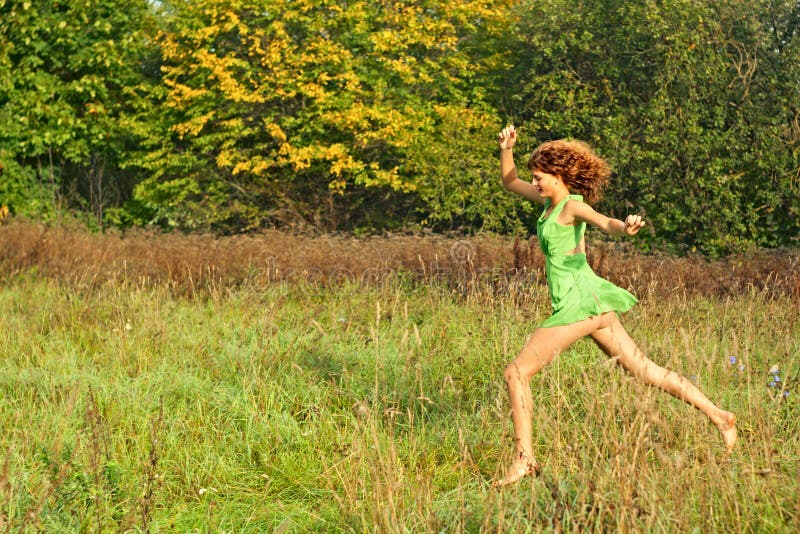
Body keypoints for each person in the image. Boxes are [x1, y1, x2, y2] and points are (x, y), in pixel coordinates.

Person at [493, 125, 737, 487]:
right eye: (535, 177)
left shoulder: (571, 205)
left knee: (516, 373)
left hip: (580, 302)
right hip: (591, 301)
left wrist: (626, 226)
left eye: (539, 177)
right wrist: (506, 149)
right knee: (644, 370)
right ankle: (720, 416)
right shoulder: (548, 204)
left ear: (558, 176)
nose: (535, 182)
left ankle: (525, 459)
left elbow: (605, 223)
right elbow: (510, 182)